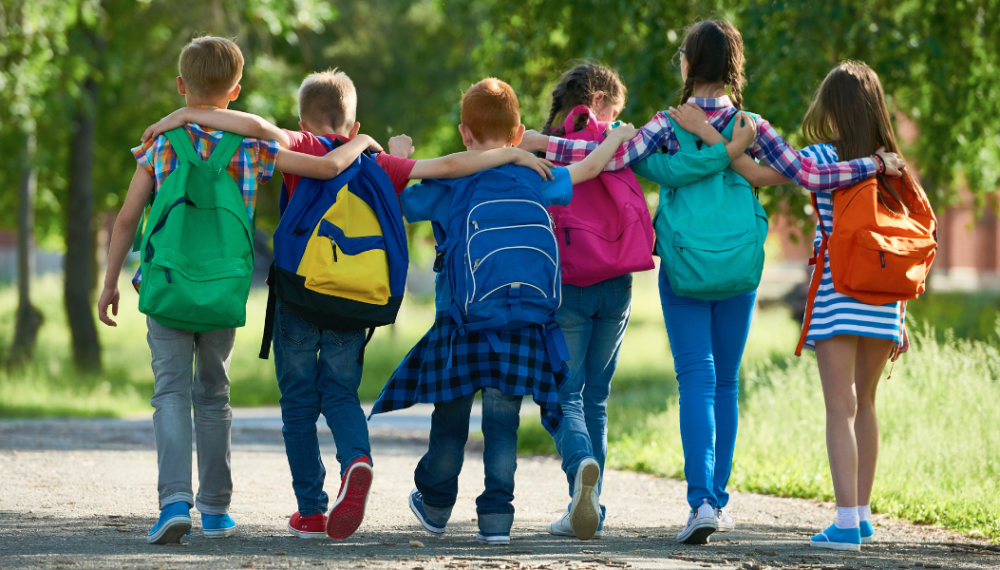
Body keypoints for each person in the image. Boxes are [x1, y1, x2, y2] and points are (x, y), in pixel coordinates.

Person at [518, 20, 905, 545]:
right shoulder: (753, 125)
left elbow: (600, 158)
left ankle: (699, 500)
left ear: (687, 65)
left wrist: (541, 144)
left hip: (684, 268)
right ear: (734, 68)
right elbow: (805, 173)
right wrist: (873, 163)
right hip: (740, 270)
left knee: (696, 383)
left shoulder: (664, 124)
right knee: (726, 384)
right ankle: (715, 502)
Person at [139, 69, 555, 541]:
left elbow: (252, 126)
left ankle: (311, 511)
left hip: (300, 296)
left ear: (302, 121)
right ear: (354, 128)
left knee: (298, 404)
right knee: (339, 393)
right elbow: (451, 166)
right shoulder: (378, 163)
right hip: (355, 301)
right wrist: (515, 153)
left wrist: (180, 114)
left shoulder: (302, 150)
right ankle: (356, 459)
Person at [96, 36, 384, 545]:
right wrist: (362, 143)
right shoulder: (254, 148)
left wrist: (109, 281)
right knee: (214, 395)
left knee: (170, 393)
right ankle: (215, 509)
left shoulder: (160, 144)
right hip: (224, 293)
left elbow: (125, 219)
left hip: (166, 288)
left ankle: (173, 503)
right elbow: (327, 168)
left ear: (181, 86)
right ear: (235, 90)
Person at [369, 77, 638, 546]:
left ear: (464, 134)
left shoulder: (450, 179)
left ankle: (435, 505)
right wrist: (615, 137)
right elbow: (589, 170)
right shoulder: (535, 173)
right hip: (522, 323)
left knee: (449, 422)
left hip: (462, 323)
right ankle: (496, 519)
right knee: (502, 424)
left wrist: (401, 152)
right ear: (518, 132)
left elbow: (394, 205)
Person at [534, 62, 758, 541]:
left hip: (567, 277)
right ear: (599, 102)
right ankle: (699, 498)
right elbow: (684, 169)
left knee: (566, 392)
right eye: (615, 108)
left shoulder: (545, 146)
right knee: (596, 396)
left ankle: (582, 487)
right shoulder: (623, 136)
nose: (618, 116)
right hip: (616, 276)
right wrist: (731, 149)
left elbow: (586, 163)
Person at [750, 61, 914, 551]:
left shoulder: (823, 156)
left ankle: (844, 523)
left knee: (837, 407)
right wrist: (902, 317)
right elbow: (902, 242)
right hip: (885, 300)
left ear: (834, 109)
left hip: (839, 293)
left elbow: (783, 169)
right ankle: (861, 516)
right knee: (865, 404)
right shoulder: (894, 165)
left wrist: (749, 131)